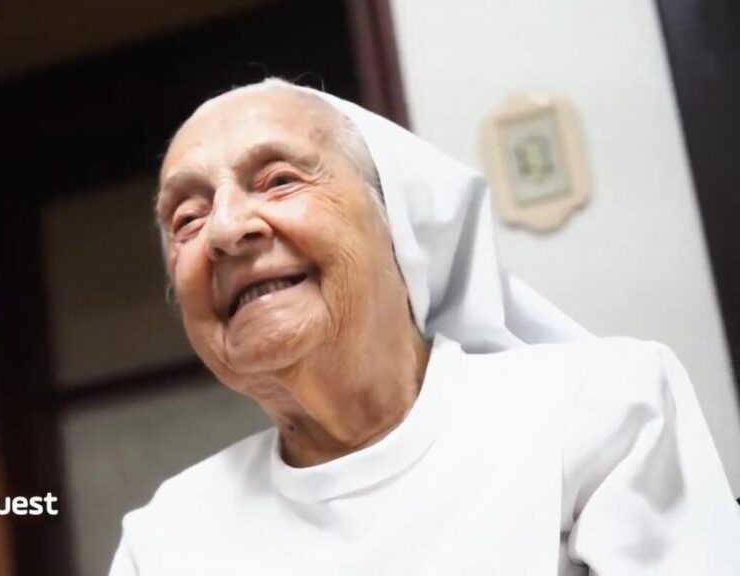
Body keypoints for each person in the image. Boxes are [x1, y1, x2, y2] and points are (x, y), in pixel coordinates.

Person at [108, 78, 740, 575]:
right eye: (187, 219)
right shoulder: (167, 537)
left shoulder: (602, 409)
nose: (224, 230)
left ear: (398, 224)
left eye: (278, 181)